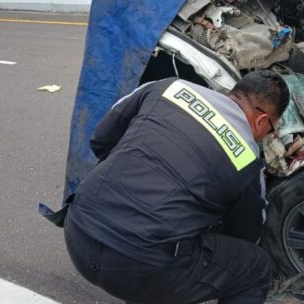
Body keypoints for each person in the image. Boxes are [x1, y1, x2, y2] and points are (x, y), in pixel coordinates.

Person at [64, 70, 289, 304]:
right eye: (271, 130)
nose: (266, 136)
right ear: (262, 121)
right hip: (140, 269)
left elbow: (100, 140)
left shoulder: (167, 86)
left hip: (79, 231)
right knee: (255, 267)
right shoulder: (247, 158)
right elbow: (243, 235)